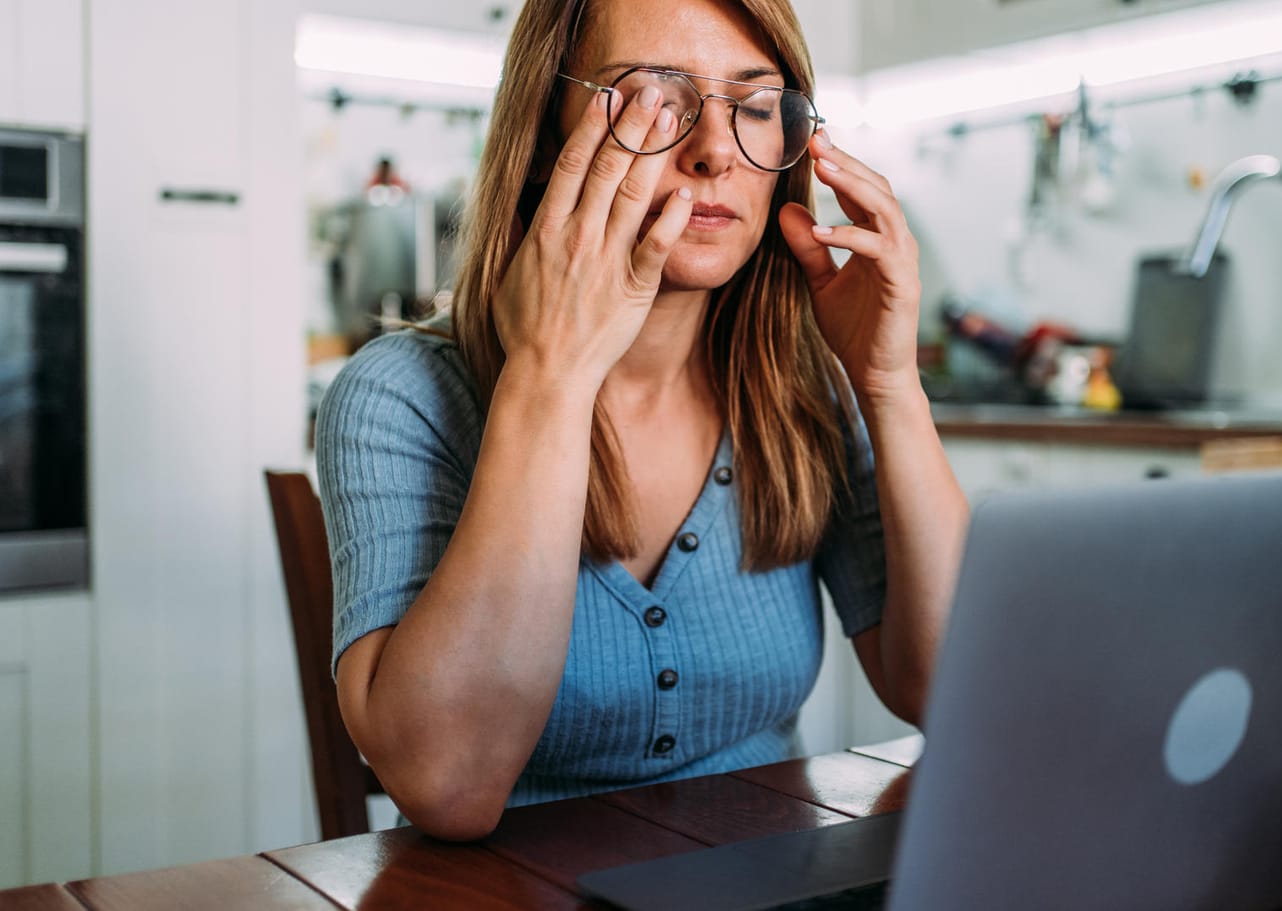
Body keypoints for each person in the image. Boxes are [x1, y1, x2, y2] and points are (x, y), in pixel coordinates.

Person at [315, 0, 969, 842]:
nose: (713, 153)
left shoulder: (804, 382)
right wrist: (549, 373)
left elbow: (947, 691)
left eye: (757, 107)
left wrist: (889, 387)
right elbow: (448, 784)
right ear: (548, 139)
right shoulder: (396, 395)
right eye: (654, 101)